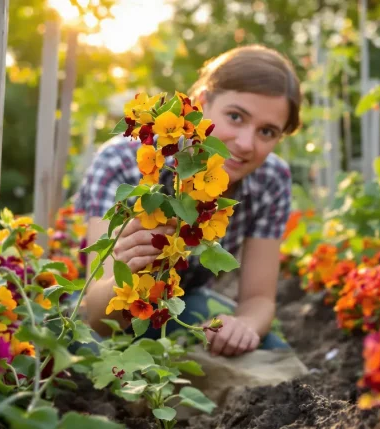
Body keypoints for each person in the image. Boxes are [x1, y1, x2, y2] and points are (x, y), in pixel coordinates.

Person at [73, 44, 302, 357]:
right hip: (99, 309)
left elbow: (259, 298)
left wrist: (243, 326)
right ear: (202, 102)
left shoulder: (270, 178)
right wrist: (127, 269)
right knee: (85, 354)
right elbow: (95, 314)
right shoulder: (125, 162)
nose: (246, 143)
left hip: (183, 303)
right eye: (235, 117)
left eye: (267, 132)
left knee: (274, 354)